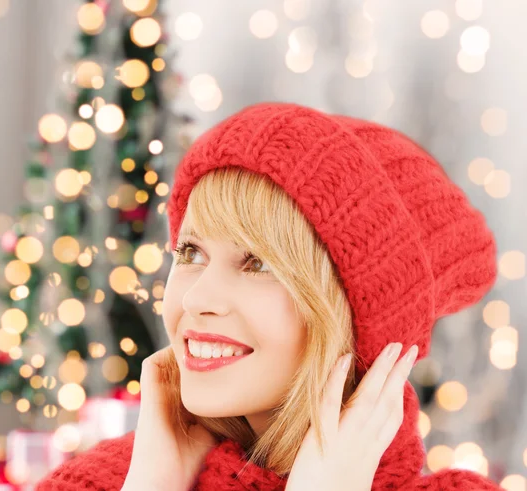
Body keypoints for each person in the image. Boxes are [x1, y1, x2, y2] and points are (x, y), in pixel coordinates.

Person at [36, 102, 502, 490]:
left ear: (357, 318)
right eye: (191, 253)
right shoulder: (99, 482)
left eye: (257, 263)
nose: (197, 298)